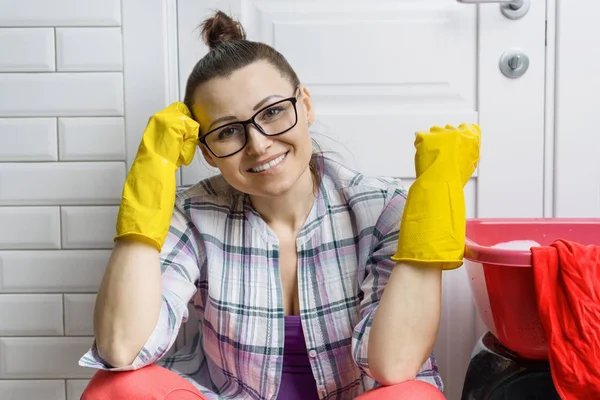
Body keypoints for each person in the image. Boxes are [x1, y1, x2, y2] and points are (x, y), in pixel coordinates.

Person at [78, 10, 480, 400]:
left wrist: (434, 201)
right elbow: (121, 347)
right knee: (116, 389)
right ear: (206, 151)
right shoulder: (192, 214)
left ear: (304, 105)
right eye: (228, 131)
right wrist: (151, 177)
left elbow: (394, 366)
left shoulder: (384, 207)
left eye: (272, 112)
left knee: (411, 398)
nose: (258, 144)